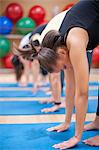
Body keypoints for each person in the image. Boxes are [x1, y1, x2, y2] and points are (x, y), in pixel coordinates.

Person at [14, 0, 99, 149]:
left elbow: (83, 93)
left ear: (61, 53)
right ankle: (98, 121)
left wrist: (76, 136)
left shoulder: (74, 41)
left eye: (64, 66)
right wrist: (67, 122)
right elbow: (71, 87)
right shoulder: (60, 47)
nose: (67, 68)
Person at [13, 24, 64, 112]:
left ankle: (59, 101)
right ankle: (54, 97)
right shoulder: (34, 43)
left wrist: (57, 104)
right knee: (52, 72)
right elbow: (35, 65)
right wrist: (35, 83)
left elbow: (54, 75)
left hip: (64, 31)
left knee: (56, 73)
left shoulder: (43, 42)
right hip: (52, 33)